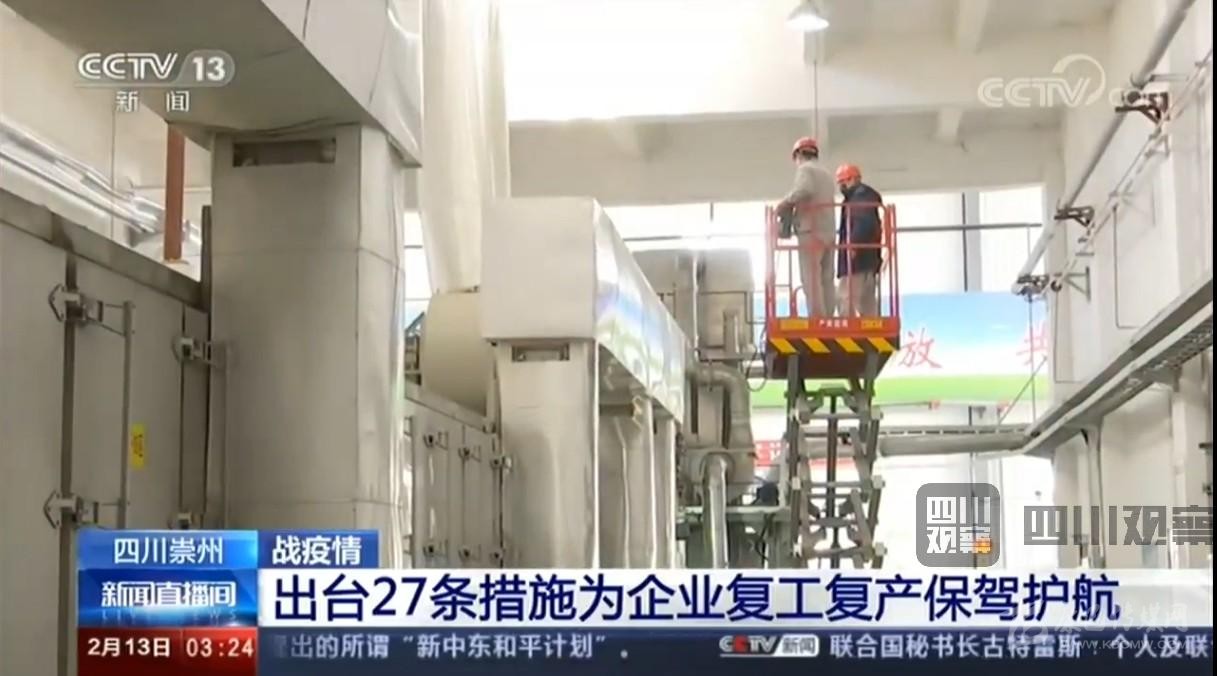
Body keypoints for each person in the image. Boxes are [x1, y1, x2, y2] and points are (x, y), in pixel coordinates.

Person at [775, 137, 836, 317]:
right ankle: (829, 317)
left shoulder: (805, 169)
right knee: (827, 278)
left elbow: (804, 190)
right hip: (829, 231)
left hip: (811, 231)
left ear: (798, 155)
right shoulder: (826, 174)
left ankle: (817, 318)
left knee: (811, 277)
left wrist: (784, 203)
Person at [834, 163, 883, 317]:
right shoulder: (864, 197)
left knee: (845, 298)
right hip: (869, 259)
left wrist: (853, 246)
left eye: (844, 181)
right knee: (867, 303)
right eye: (840, 182)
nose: (841, 186)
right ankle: (873, 329)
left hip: (856, 261)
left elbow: (863, 222)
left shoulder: (859, 198)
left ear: (854, 179)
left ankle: (847, 329)